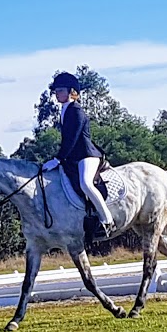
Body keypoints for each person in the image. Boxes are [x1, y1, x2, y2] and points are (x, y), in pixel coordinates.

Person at [41, 72, 116, 238]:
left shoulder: (76, 111)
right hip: (74, 157)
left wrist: (58, 159)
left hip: (87, 155)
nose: (57, 94)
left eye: (60, 90)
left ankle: (107, 220)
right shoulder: (65, 110)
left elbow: (72, 139)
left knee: (86, 183)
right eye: (56, 91)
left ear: (71, 91)